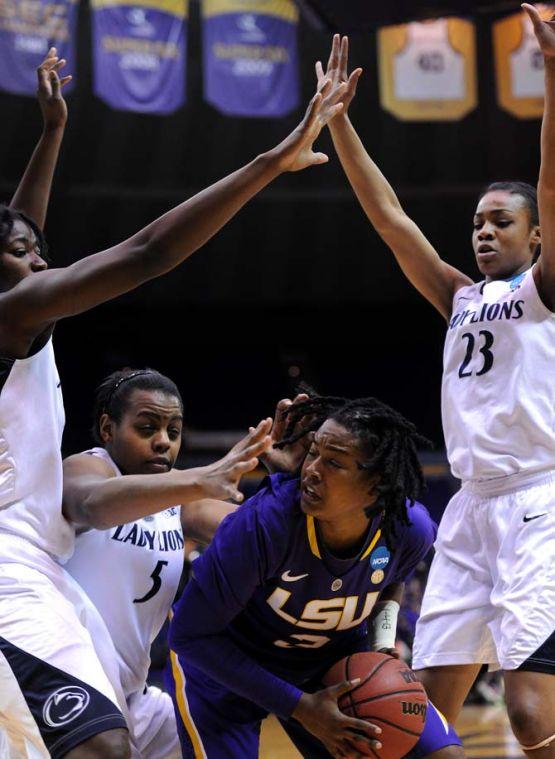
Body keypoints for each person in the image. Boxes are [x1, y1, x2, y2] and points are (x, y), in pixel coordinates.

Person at [0, 55, 346, 758]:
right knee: (102, 749)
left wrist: (51, 135)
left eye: (40, 254)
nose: (41, 265)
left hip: (39, 572)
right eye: (23, 257)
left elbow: (21, 235)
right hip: (10, 568)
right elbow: (149, 251)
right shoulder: (13, 317)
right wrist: (269, 160)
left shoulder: (19, 314)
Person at [318, 16, 555, 756]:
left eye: (501, 221)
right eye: (477, 221)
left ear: (536, 235)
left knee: (526, 710)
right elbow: (390, 221)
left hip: (538, 503)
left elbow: (552, 182)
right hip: (468, 508)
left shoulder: (542, 290)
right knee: (416, 717)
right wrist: (338, 127)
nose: (483, 231)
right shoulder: (457, 295)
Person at [167, 396, 463, 759]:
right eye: (313, 453)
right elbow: (188, 634)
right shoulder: (263, 524)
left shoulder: (408, 529)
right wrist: (301, 707)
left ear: (375, 484)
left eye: (334, 462)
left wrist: (382, 640)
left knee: (444, 755)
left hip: (328, 662)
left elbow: (390, 581)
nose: (311, 469)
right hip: (227, 667)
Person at [62, 367, 272, 759]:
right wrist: (198, 479)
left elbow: (256, 535)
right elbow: (93, 505)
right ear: (108, 429)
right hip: (64, 684)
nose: (163, 442)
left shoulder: (179, 498)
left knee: (225, 735)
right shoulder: (88, 468)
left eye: (173, 432)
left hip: (132, 694)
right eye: (147, 428)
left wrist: (291, 485)